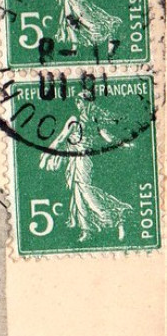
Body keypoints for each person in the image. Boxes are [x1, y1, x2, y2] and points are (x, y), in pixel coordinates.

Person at [39, 91, 132, 243]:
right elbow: (107, 137)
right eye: (82, 102)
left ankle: (117, 216)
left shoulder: (81, 120)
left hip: (84, 161)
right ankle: (86, 230)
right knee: (79, 194)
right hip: (78, 161)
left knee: (86, 191)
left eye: (83, 102)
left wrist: (47, 153)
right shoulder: (87, 121)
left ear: (82, 103)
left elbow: (62, 138)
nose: (82, 104)